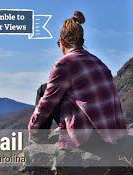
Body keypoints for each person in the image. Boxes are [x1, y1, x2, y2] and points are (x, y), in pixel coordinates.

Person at [28, 11, 127, 149]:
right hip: (111, 129)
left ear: (62, 41)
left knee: (44, 90)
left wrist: (32, 128)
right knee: (57, 88)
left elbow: (47, 102)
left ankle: (39, 140)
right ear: (83, 42)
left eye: (58, 43)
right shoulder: (98, 62)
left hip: (89, 136)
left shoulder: (64, 64)